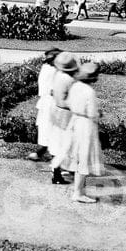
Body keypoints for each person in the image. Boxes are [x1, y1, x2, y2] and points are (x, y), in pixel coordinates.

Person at [61, 62, 105, 204]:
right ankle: (78, 193)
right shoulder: (89, 92)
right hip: (86, 126)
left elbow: (68, 103)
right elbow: (92, 113)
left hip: (75, 122)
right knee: (84, 158)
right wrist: (99, 114)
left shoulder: (75, 87)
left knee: (78, 157)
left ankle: (80, 190)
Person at [48, 51, 79, 185]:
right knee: (68, 143)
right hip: (67, 113)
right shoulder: (70, 80)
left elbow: (52, 92)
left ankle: (57, 171)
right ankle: (65, 169)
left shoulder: (57, 75)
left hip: (56, 111)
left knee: (57, 141)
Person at [28, 47, 62, 161]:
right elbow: (52, 90)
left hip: (48, 102)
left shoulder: (47, 68)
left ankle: (41, 153)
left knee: (46, 130)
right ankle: (55, 161)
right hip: (51, 103)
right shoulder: (52, 70)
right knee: (51, 130)